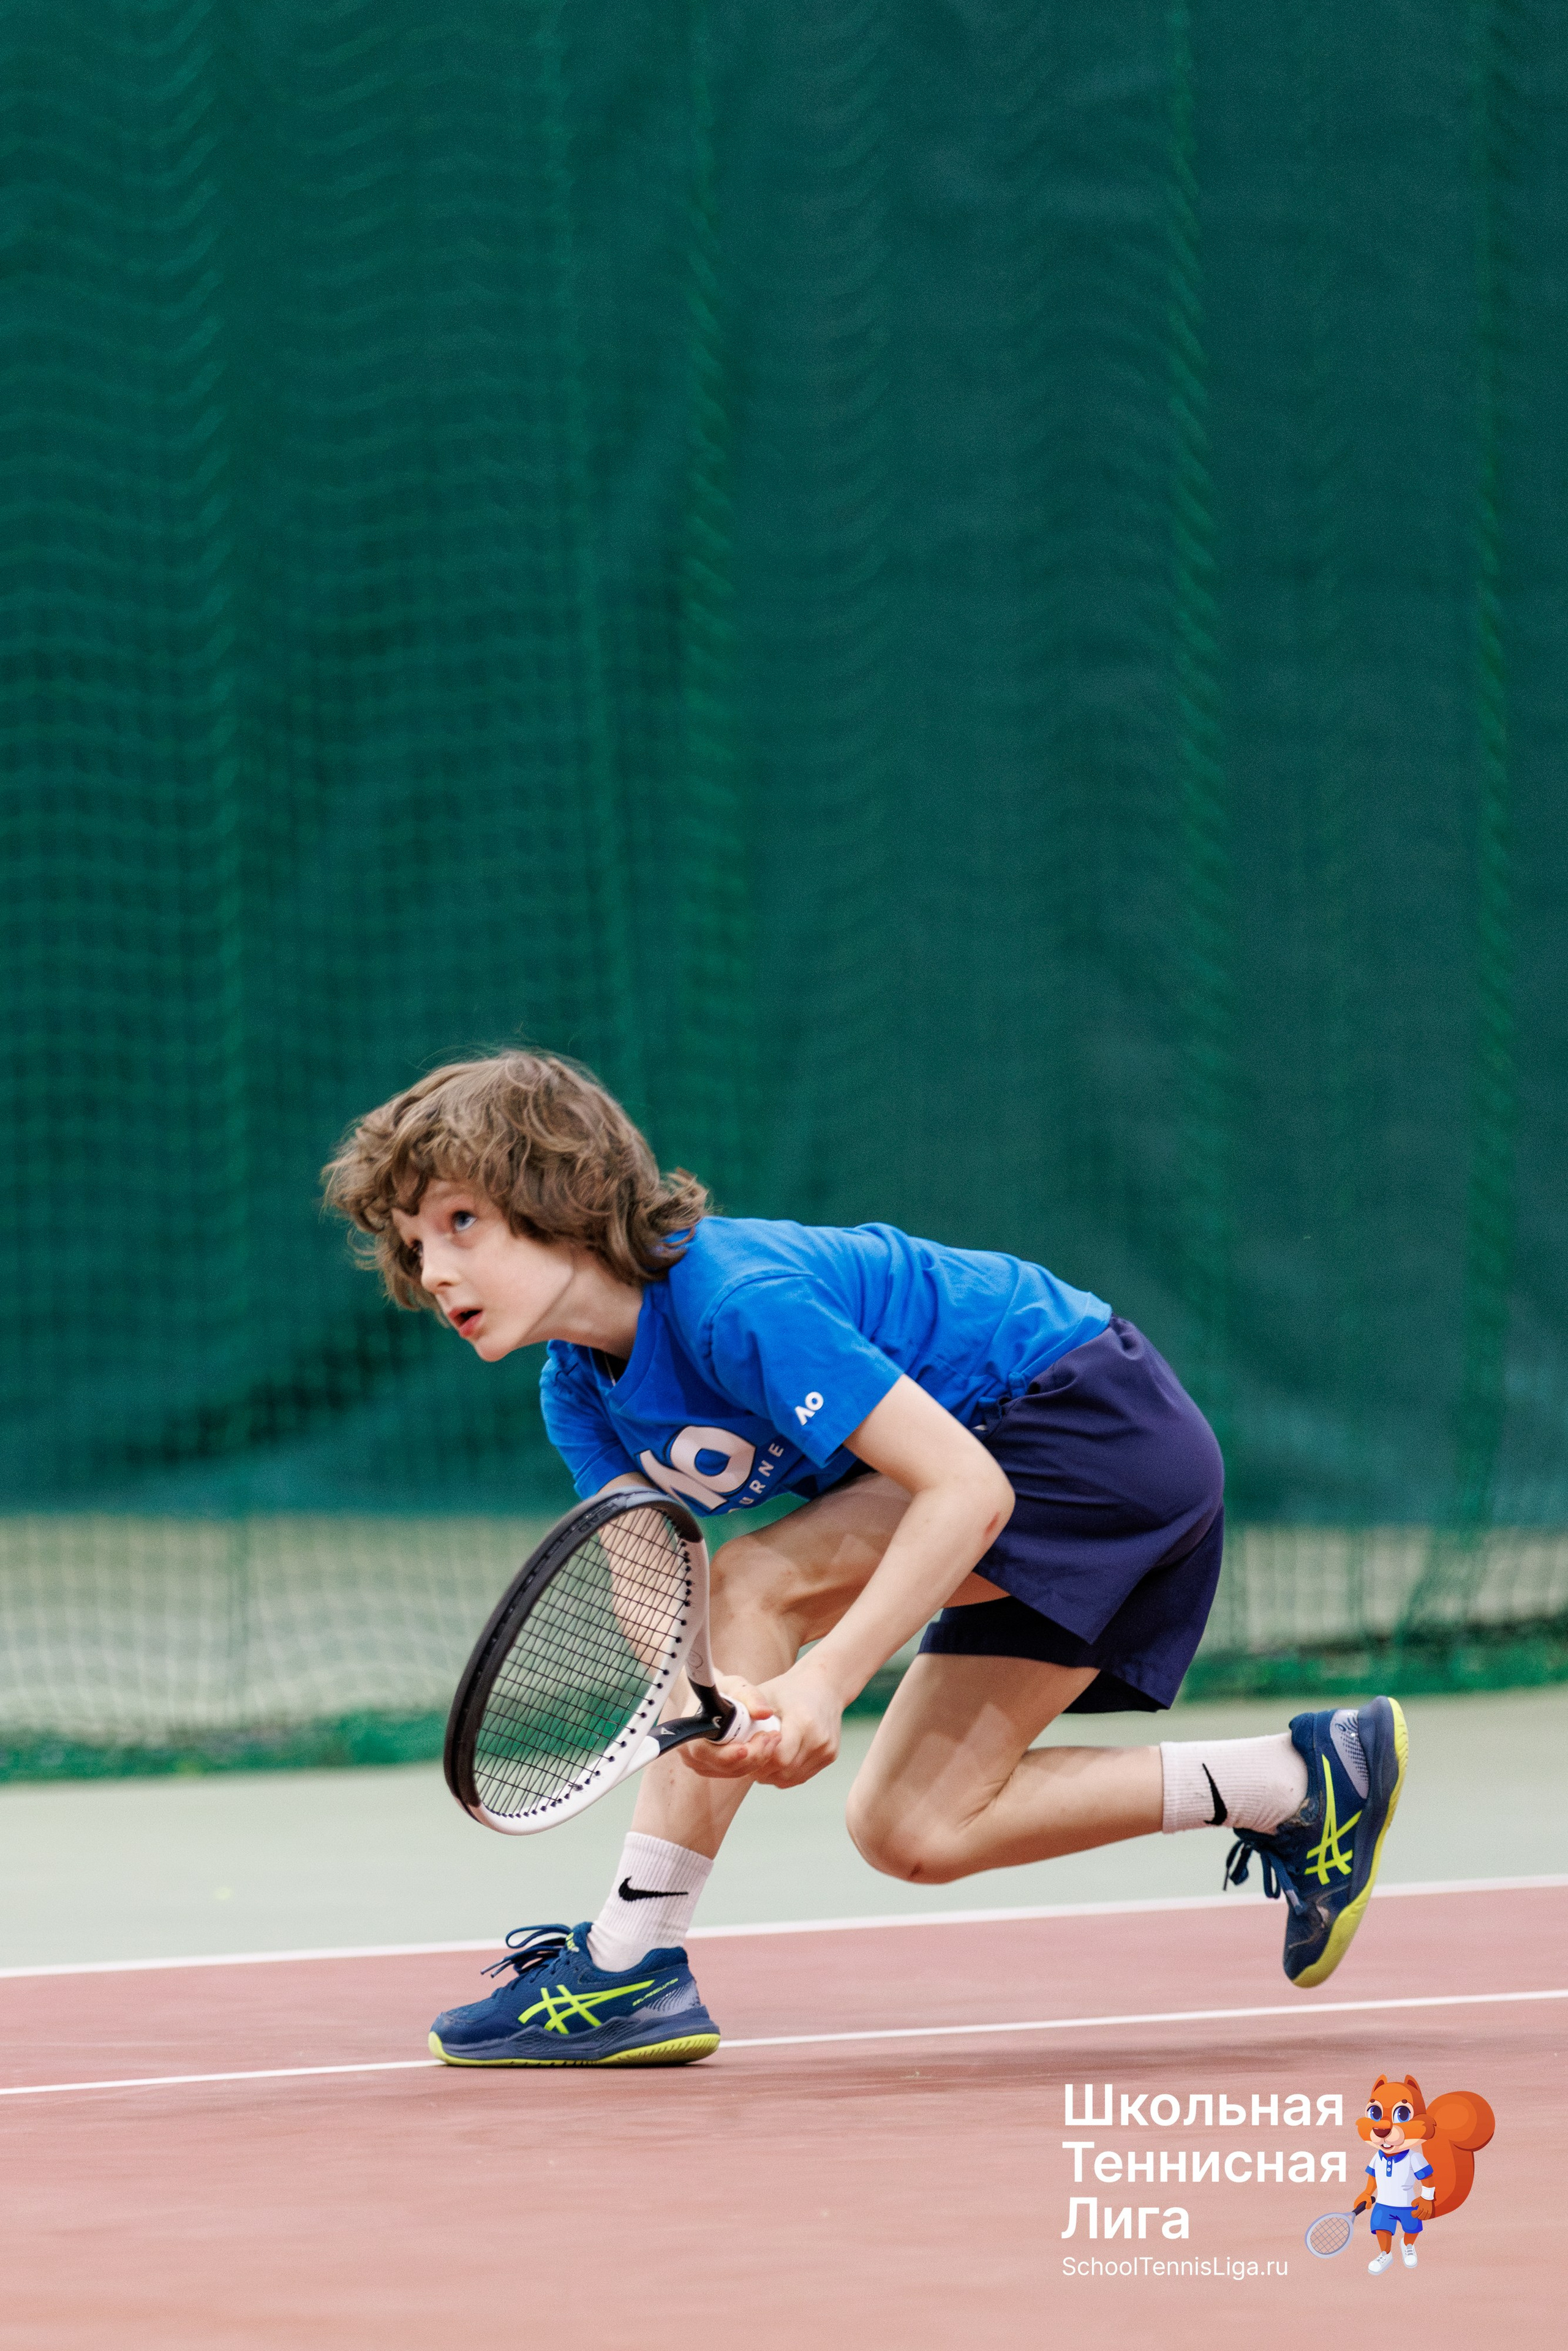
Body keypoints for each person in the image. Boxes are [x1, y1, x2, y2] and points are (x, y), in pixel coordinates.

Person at [322, 1051, 1408, 2068]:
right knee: (913, 1829)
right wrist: (713, 1697)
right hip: (1029, 1479)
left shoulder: (735, 1304)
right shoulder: (577, 1388)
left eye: (461, 1221)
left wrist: (823, 1680)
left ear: (560, 1201)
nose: (435, 1267)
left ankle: (629, 1958)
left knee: (761, 1576)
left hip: (1092, 1429)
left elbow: (968, 1489)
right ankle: (1300, 1778)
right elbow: (653, 1574)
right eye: (416, 1243)